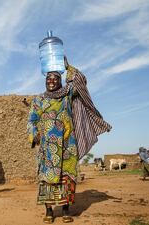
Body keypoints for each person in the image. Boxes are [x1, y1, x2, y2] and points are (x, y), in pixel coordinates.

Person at [27, 57, 111, 223]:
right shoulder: (38, 100)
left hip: (67, 145)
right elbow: (31, 120)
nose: (51, 81)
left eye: (55, 78)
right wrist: (34, 133)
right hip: (47, 146)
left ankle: (65, 209)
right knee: (47, 179)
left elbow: (81, 82)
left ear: (60, 81)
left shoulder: (67, 95)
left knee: (67, 179)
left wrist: (68, 67)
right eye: (48, 79)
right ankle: (49, 211)